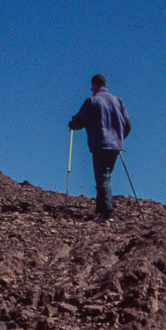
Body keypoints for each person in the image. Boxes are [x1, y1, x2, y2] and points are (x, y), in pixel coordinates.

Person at [68, 75, 132, 222]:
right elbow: (128, 124)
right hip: (116, 145)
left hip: (100, 144)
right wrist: (120, 138)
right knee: (105, 177)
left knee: (102, 178)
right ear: (105, 85)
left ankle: (108, 213)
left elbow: (79, 123)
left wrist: (71, 124)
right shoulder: (118, 100)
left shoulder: (92, 101)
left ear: (94, 85)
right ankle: (100, 210)